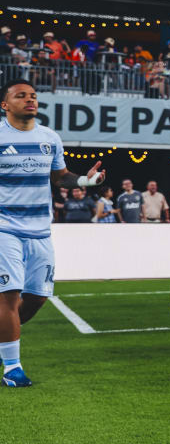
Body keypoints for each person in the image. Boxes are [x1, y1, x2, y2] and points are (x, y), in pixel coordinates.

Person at [0, 79, 104, 387]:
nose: (30, 100)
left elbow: (60, 177)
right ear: (5, 104)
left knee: (37, 297)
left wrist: (86, 181)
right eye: (21, 96)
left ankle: (6, 335)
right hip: (5, 228)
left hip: (41, 231)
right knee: (9, 295)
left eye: (33, 96)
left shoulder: (49, 137)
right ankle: (12, 368)